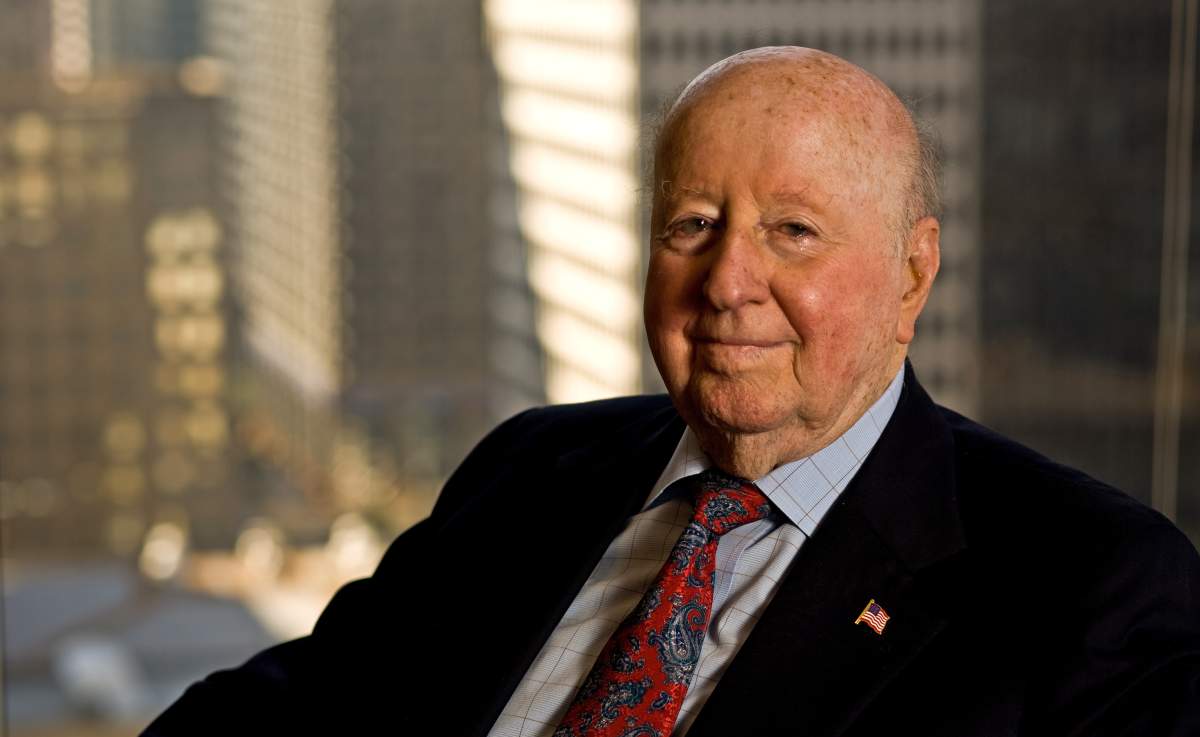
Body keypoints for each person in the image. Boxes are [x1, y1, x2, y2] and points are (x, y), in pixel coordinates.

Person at [142, 47, 1200, 736]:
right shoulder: (533, 465)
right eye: (693, 225)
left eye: (792, 231)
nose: (728, 282)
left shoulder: (1089, 585)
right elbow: (298, 711)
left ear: (912, 276)